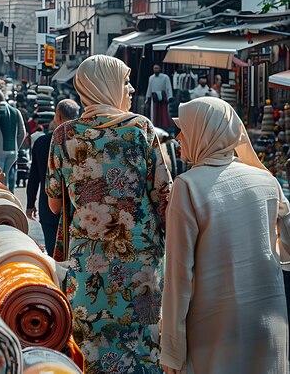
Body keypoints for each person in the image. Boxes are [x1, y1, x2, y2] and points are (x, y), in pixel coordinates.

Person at [46, 55, 171, 374]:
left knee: (90, 344)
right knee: (143, 339)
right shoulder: (140, 127)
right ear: (108, 84)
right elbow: (163, 196)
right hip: (143, 268)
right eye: (125, 81)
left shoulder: (63, 135)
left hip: (88, 267)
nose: (130, 88)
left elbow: (55, 205)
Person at [160, 97, 290, 374]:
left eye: (185, 128)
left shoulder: (188, 186)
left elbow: (178, 275)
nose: (179, 137)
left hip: (214, 330)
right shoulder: (267, 180)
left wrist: (171, 349)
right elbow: (285, 253)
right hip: (268, 325)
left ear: (203, 131)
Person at [26, 99, 80, 257]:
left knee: (54, 253)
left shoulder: (42, 142)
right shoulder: (83, 141)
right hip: (75, 207)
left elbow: (34, 176)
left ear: (58, 115)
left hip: (49, 207)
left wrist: (30, 204)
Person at [0, 90, 26, 193]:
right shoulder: (16, 111)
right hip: (13, 150)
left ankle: (2, 196)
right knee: (9, 173)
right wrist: (17, 146)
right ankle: (11, 194)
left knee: (0, 177)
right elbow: (23, 132)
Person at [145, 64, 173, 129]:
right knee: (154, 112)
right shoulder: (151, 78)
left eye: (157, 68)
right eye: (155, 68)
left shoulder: (165, 77)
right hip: (154, 97)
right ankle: (155, 125)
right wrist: (148, 97)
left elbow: (168, 87)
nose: (156, 70)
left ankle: (165, 126)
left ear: (160, 69)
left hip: (163, 97)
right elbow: (149, 88)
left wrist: (170, 96)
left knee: (163, 111)